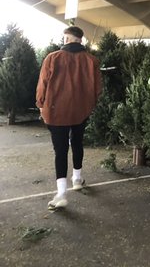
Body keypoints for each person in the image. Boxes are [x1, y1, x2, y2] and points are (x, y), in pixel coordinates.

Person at [36, 26, 102, 210]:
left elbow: (43, 84)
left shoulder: (52, 58)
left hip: (56, 111)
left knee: (60, 151)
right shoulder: (92, 60)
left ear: (66, 39)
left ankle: (62, 193)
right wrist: (89, 105)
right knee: (78, 143)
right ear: (80, 40)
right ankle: (77, 179)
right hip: (81, 110)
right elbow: (98, 89)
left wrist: (41, 105)